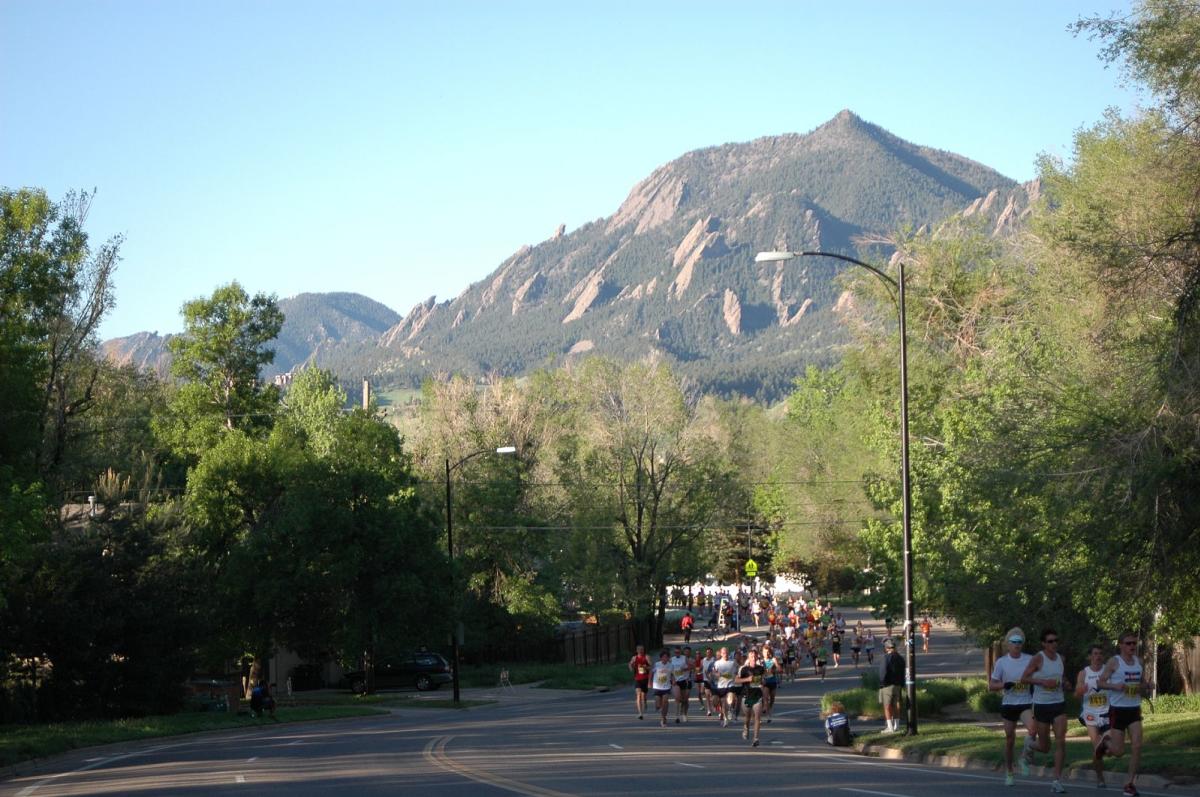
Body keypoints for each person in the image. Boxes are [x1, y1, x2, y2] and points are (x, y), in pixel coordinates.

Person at [1097, 632, 1147, 797]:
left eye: (1134, 643)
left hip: (1134, 709)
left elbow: (1141, 683)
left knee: (1137, 745)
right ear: (1121, 645)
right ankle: (1106, 743)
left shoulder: (1139, 662)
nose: (1132, 646)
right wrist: (1115, 686)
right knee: (1118, 752)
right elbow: (1100, 682)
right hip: (1118, 710)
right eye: (1128, 643)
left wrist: (1147, 686)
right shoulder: (1114, 662)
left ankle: (1129, 784)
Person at [1021, 628, 1070, 794]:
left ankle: (1057, 780)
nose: (1054, 644)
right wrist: (1042, 682)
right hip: (1041, 705)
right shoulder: (1038, 658)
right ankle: (1029, 744)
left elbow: (1061, 677)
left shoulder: (1061, 659)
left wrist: (1065, 683)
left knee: (1061, 740)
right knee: (1044, 746)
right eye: (1050, 641)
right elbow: (1024, 678)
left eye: (1056, 641)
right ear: (1043, 644)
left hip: (1058, 703)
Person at [989, 627, 1036, 787]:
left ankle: (1024, 758)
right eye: (1014, 642)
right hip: (1009, 704)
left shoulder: (1030, 659)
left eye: (1019, 642)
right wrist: (1004, 685)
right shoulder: (1002, 662)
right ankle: (1009, 772)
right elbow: (991, 685)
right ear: (1008, 644)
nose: (1017, 645)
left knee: (1033, 729)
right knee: (1010, 739)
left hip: (1024, 702)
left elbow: (1038, 676)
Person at [1075, 643, 1111, 788]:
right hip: (1090, 714)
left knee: (1109, 747)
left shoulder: (1108, 671)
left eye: (1100, 654)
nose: (1098, 656)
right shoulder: (1084, 673)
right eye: (1095, 654)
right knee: (1097, 747)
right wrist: (1081, 690)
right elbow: (1077, 694)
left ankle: (1105, 749)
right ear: (1090, 656)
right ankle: (1100, 778)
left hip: (1107, 712)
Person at [736, 648, 765, 747]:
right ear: (748, 657)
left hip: (757, 695)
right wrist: (747, 679)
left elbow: (763, 680)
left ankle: (756, 738)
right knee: (747, 717)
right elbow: (736, 680)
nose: (753, 658)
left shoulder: (761, 668)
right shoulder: (743, 668)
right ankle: (746, 728)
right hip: (746, 695)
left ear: (757, 657)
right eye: (751, 656)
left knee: (757, 717)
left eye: (755, 656)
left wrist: (762, 683)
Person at [878, 638, 905, 733]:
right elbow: (903, 672)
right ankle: (896, 726)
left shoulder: (886, 658)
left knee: (887, 706)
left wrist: (882, 683)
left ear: (886, 648)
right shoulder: (900, 658)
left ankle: (890, 727)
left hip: (887, 685)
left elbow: (883, 672)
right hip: (898, 685)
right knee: (897, 705)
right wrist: (902, 684)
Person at [711, 646, 737, 727]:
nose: (725, 654)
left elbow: (737, 672)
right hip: (720, 686)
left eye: (726, 653)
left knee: (730, 699)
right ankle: (724, 715)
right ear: (721, 654)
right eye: (724, 653)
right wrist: (716, 674)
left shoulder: (733, 662)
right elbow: (713, 673)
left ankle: (728, 713)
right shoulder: (717, 663)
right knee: (716, 701)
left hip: (730, 685)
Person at [651, 649, 674, 727]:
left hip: (666, 686)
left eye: (666, 657)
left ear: (668, 658)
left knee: (665, 702)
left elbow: (672, 674)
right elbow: (651, 673)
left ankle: (663, 718)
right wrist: (649, 682)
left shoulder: (671, 665)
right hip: (657, 686)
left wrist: (673, 681)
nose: (665, 659)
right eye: (663, 657)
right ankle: (660, 709)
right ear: (661, 658)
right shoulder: (657, 664)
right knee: (658, 705)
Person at [628, 644, 650, 719]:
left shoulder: (646, 657)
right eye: (639, 649)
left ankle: (645, 701)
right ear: (636, 650)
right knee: (638, 695)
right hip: (637, 678)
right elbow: (630, 664)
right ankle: (640, 713)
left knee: (643, 696)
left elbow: (651, 666)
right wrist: (631, 667)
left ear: (643, 650)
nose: (640, 651)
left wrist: (645, 667)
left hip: (645, 678)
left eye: (642, 649)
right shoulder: (634, 658)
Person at [671, 646, 693, 723]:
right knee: (677, 698)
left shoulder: (684, 658)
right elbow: (670, 670)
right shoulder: (672, 659)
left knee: (684, 700)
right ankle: (676, 716)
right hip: (676, 681)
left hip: (685, 680)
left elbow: (691, 666)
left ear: (681, 652)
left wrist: (685, 669)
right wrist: (672, 679)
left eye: (678, 652)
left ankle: (684, 714)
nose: (677, 653)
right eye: (675, 652)